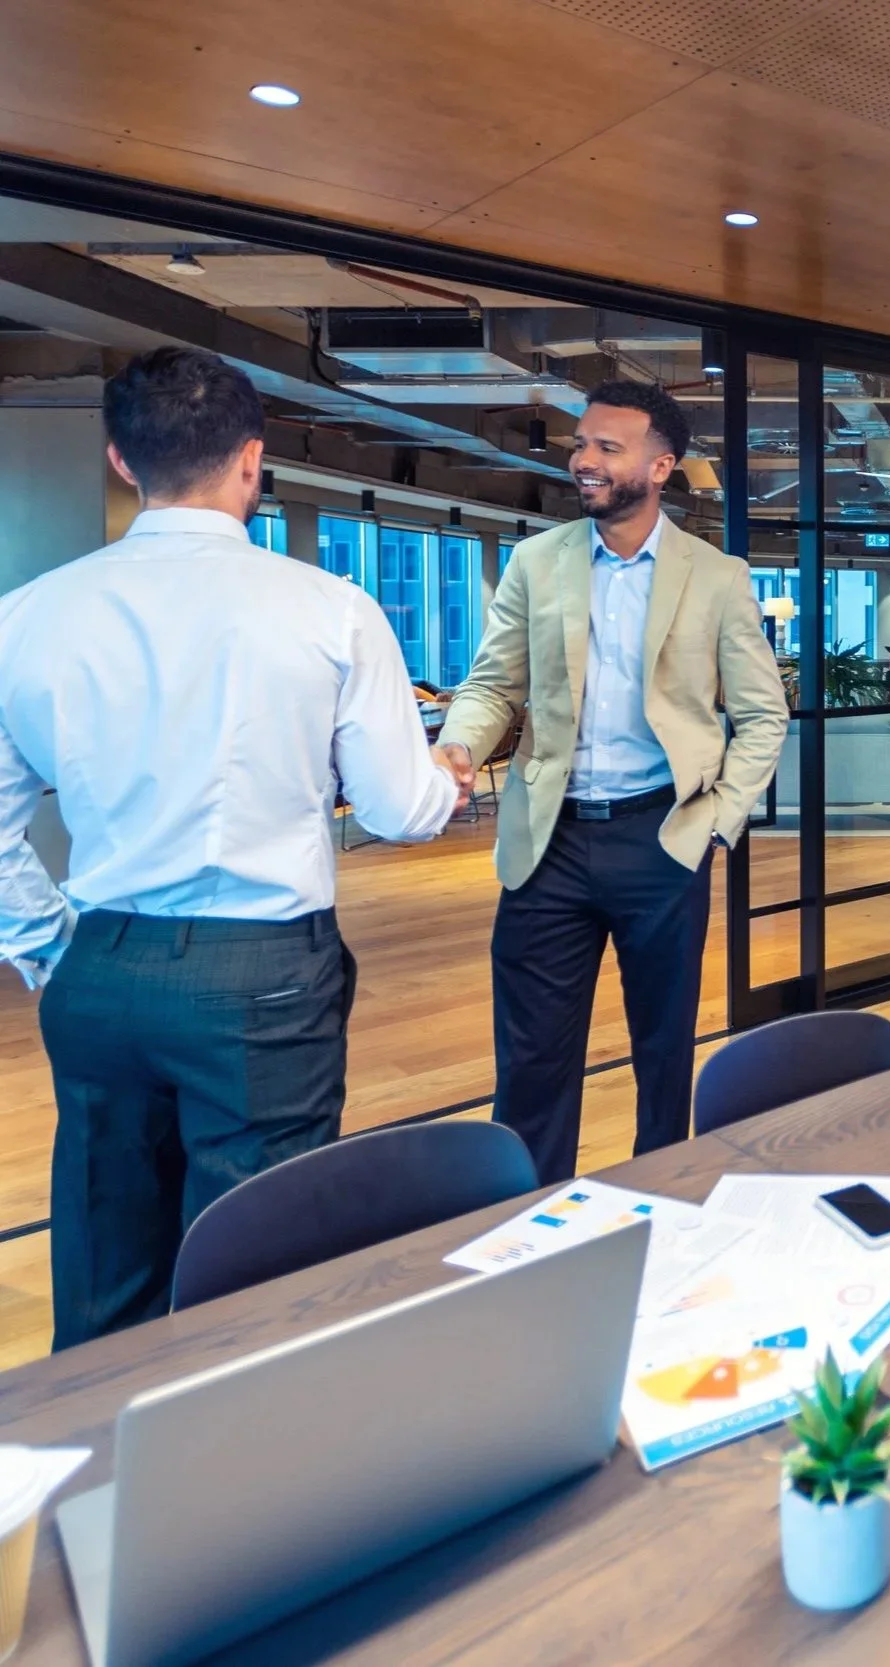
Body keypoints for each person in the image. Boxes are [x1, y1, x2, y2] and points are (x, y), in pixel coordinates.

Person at [0, 346, 466, 1349]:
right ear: (252, 460)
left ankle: (99, 1485)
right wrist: (451, 780)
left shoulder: (27, 617)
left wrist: (50, 947)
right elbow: (397, 809)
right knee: (256, 1275)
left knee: (102, 1268)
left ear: (122, 460)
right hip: (263, 977)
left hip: (100, 965)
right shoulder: (330, 609)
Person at [436, 381, 788, 1185]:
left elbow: (763, 715)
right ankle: (524, 1226)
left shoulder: (716, 575)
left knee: (663, 1056)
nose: (583, 460)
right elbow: (494, 684)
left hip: (662, 837)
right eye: (581, 443)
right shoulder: (537, 561)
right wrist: (457, 746)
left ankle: (657, 1206)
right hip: (547, 842)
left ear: (661, 465)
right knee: (530, 1063)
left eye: (607, 447)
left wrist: (716, 823)